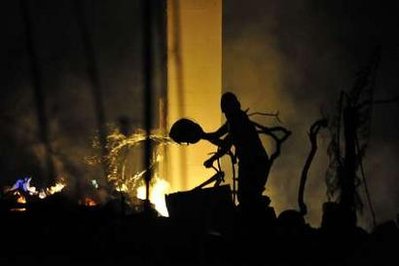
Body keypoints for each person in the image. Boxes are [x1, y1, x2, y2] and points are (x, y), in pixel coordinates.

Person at [202, 92, 271, 211]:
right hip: (251, 162)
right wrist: (202, 135)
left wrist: (212, 159)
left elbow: (225, 144)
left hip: (255, 163)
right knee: (247, 197)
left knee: (247, 198)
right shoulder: (232, 121)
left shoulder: (238, 121)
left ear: (231, 108)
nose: (225, 114)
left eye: (226, 111)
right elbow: (217, 135)